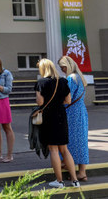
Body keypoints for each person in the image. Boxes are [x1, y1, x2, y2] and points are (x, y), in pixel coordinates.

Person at [35, 58, 79, 188]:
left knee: (53, 149)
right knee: (64, 149)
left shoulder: (41, 83)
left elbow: (40, 103)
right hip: (61, 115)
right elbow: (68, 100)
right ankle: (75, 180)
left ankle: (59, 181)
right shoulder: (63, 81)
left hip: (49, 117)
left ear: (42, 69)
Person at [58, 55, 89, 181]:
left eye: (63, 67)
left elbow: (67, 97)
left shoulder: (71, 78)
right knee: (81, 140)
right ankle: (82, 171)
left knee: (68, 139)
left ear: (68, 66)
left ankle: (70, 165)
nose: (62, 70)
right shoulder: (80, 77)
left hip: (72, 112)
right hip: (81, 110)